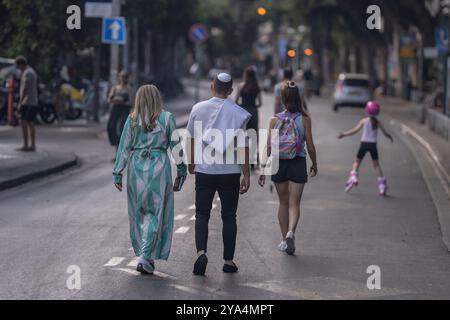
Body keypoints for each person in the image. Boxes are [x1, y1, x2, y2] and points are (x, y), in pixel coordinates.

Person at [113, 85, 187, 275]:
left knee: (140, 214)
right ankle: (145, 257)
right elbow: (176, 147)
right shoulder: (167, 118)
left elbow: (124, 147)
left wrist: (117, 172)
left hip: (136, 171)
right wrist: (181, 170)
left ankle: (147, 256)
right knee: (156, 214)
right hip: (159, 171)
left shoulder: (132, 119)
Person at [187, 73, 251, 276]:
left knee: (202, 214)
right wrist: (246, 174)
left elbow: (191, 138)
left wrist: (191, 162)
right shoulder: (238, 113)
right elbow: (243, 147)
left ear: (212, 86)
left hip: (205, 171)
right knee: (229, 216)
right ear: (231, 91)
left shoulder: (198, 109)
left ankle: (201, 253)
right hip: (230, 173)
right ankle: (228, 261)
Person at [259, 81, 318, 256]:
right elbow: (310, 145)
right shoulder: (304, 119)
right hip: (298, 162)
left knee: (283, 203)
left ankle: (285, 240)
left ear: (283, 98)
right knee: (294, 204)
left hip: (279, 164)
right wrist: (315, 164)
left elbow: (268, 147)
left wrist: (263, 169)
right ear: (299, 98)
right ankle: (292, 232)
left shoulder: (274, 120)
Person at [338, 101, 393, 196]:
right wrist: (389, 137)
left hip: (364, 144)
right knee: (376, 165)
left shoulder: (364, 121)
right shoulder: (378, 122)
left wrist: (344, 134)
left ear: (367, 111)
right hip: (373, 145)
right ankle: (381, 185)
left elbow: (354, 130)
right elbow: (385, 133)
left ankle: (354, 176)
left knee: (357, 161)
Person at [235, 67, 262, 170]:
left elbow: (236, 101)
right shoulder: (257, 87)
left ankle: (241, 160)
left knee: (242, 137)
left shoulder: (241, 86)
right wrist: (253, 106)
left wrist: (243, 106)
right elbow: (260, 103)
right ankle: (253, 161)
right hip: (254, 113)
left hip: (243, 113)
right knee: (254, 137)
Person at [15, 56, 39, 152]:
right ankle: (32, 145)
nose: (18, 69)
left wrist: (20, 102)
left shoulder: (27, 73)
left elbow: (25, 87)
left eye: (18, 66)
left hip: (27, 101)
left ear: (21, 64)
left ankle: (26, 145)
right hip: (32, 101)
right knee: (30, 123)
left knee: (24, 122)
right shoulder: (32, 71)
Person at [107, 70, 135, 151]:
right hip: (115, 108)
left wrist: (122, 101)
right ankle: (116, 146)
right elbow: (109, 99)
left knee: (122, 128)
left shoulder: (129, 89)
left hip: (125, 109)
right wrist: (114, 100)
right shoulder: (115, 88)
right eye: (122, 77)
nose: (123, 79)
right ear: (119, 78)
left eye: (125, 77)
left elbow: (131, 102)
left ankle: (124, 148)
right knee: (111, 126)